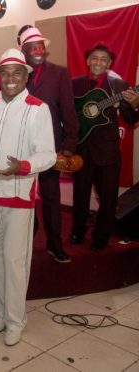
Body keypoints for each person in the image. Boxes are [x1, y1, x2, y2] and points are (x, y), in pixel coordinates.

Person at [0, 49, 56, 346]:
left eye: (17, 73)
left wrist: (24, 166)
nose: (10, 79)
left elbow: (49, 154)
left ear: (26, 76)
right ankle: (0, 314)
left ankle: (16, 320)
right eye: (4, 73)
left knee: (15, 261)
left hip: (19, 197)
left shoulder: (37, 108)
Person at [71, 43, 139, 250]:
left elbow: (130, 119)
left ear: (109, 64)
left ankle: (101, 236)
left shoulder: (118, 86)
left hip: (108, 152)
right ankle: (77, 231)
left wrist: (136, 104)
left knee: (108, 198)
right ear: (87, 61)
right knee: (80, 195)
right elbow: (66, 111)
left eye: (103, 59)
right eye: (94, 58)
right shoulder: (74, 84)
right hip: (81, 148)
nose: (98, 62)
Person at [19, 26, 79, 263]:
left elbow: (68, 112)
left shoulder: (59, 73)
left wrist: (69, 144)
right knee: (23, 197)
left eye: (40, 46)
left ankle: (55, 244)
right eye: (31, 47)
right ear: (23, 50)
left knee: (52, 199)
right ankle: (25, 241)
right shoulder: (16, 72)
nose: (37, 50)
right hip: (21, 148)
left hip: (50, 148)